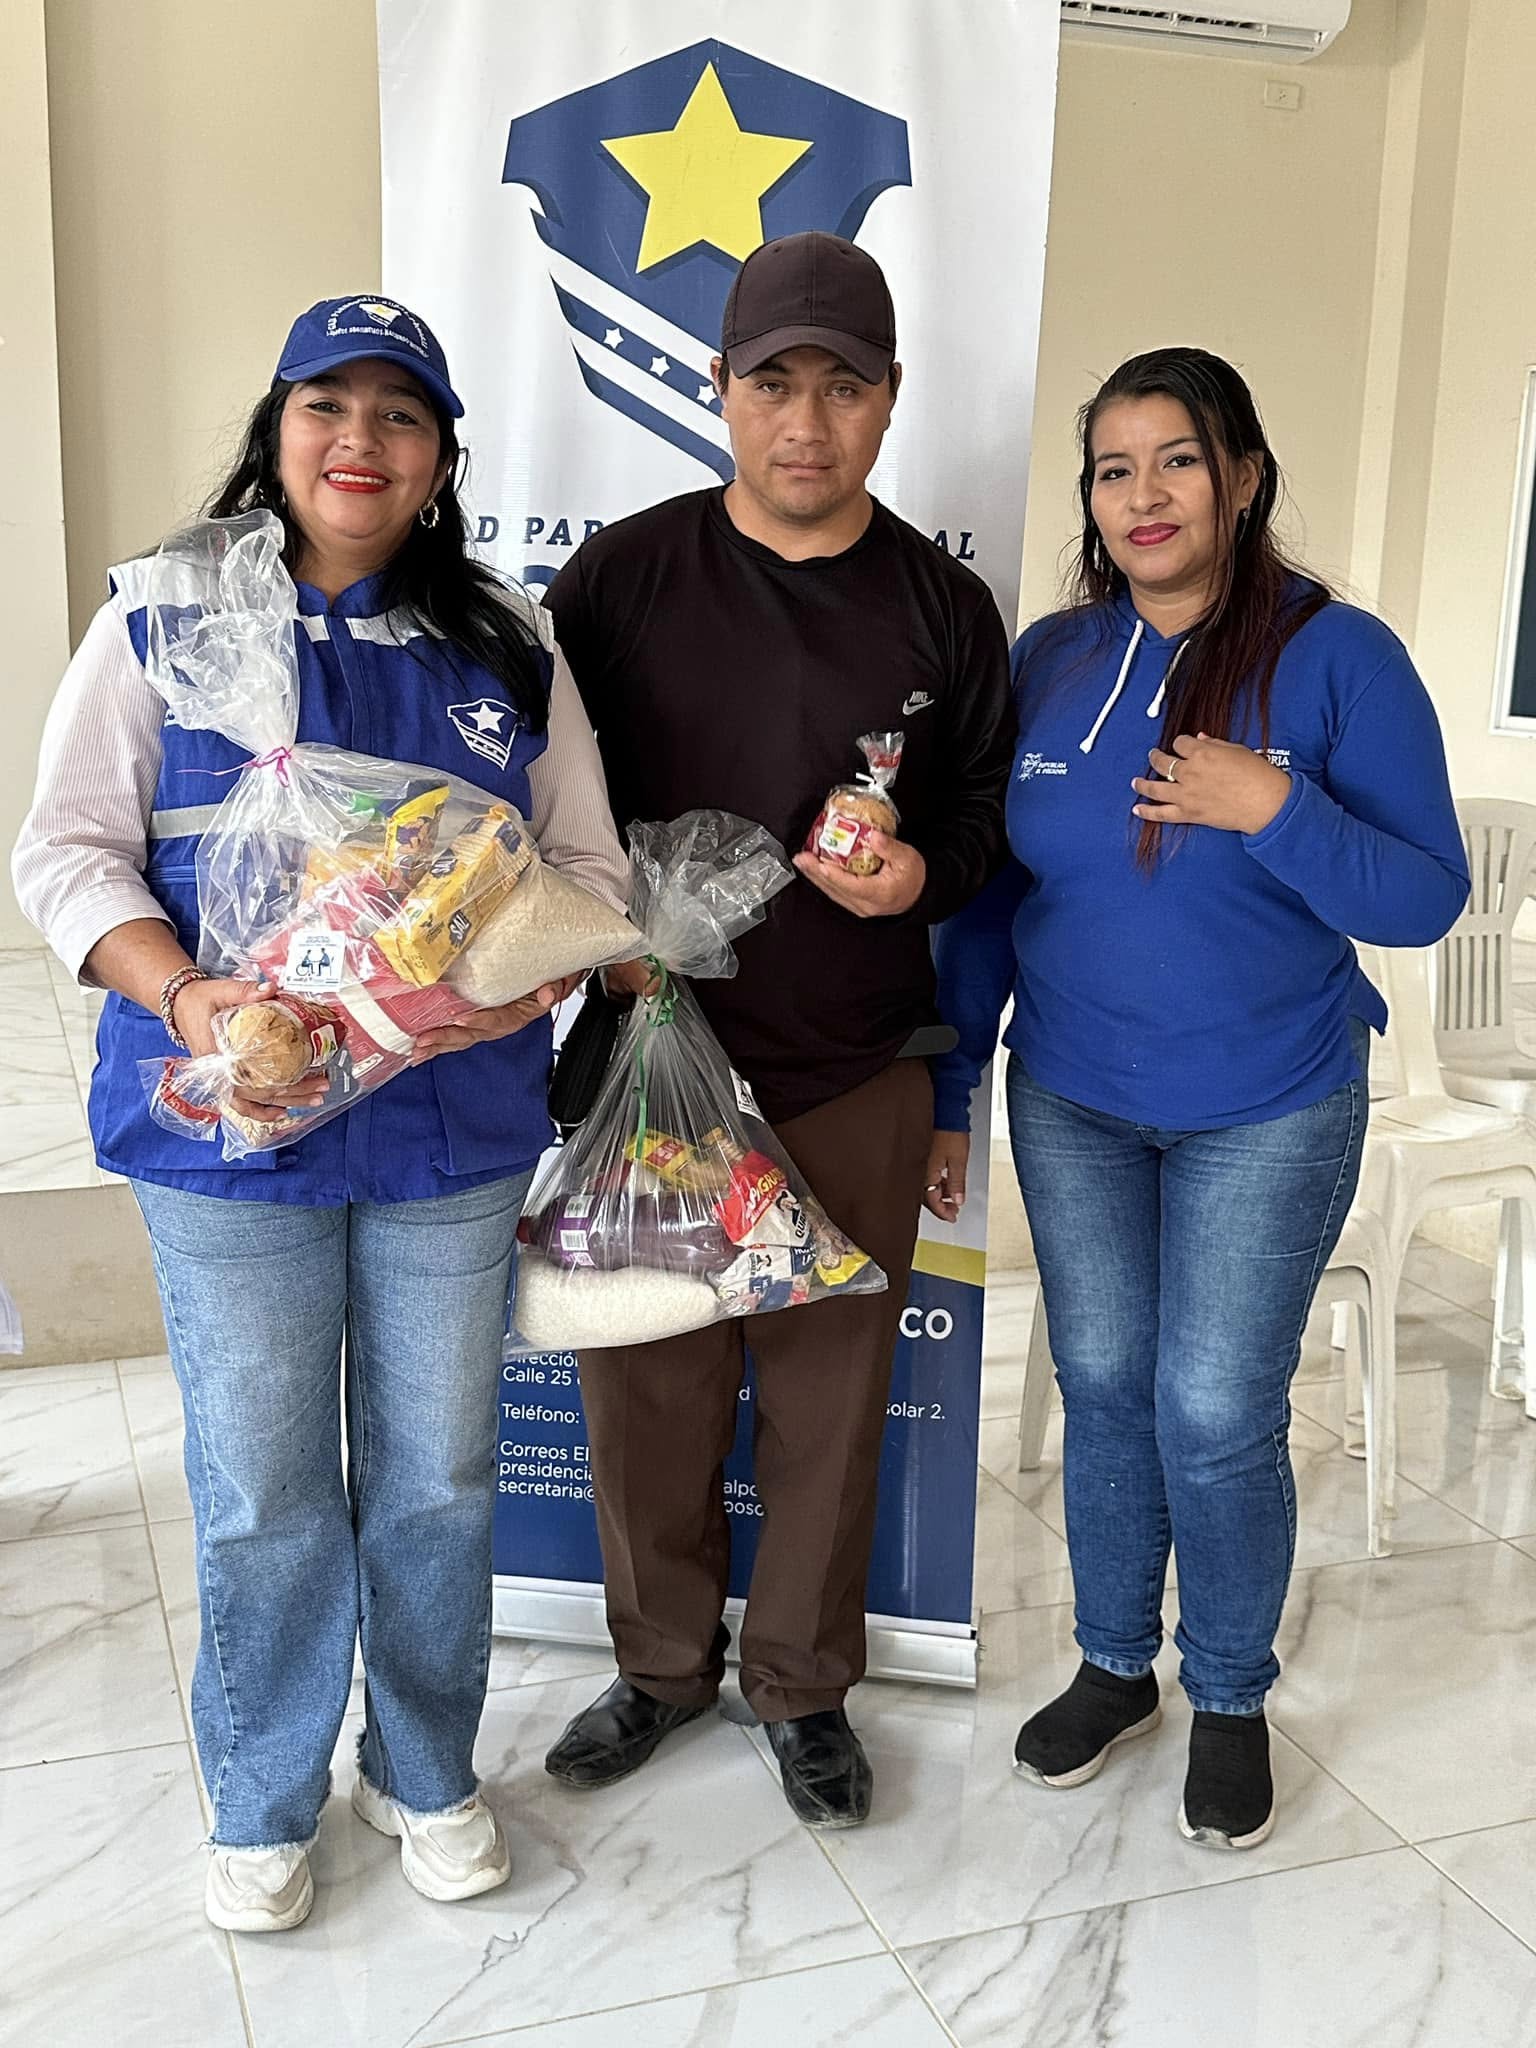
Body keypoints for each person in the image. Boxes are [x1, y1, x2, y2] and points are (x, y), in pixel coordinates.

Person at [12, 297, 630, 1931]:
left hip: (447, 1131)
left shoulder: (506, 642)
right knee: (263, 1484)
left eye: (400, 414)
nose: (361, 440)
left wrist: (503, 986)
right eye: (327, 405)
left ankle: (423, 1768)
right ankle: (264, 1792)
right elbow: (63, 852)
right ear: (276, 430)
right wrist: (192, 999)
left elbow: (587, 868)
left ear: (440, 460)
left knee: (438, 1476)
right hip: (228, 1130)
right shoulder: (161, 619)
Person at [928, 346, 1469, 1849]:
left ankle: (1228, 1693)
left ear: (1242, 477)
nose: (1145, 495)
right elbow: (990, 896)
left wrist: (1276, 806)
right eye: (1115, 469)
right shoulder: (1051, 658)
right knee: (1104, 1385)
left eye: (1178, 460)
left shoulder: (1340, 656)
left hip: (1269, 1102)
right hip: (1075, 1096)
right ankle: (1116, 1666)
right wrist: (956, 1078)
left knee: (1217, 1408)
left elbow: (1425, 894)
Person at [540, 232, 1014, 1828]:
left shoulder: (943, 607)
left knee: (830, 1402)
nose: (806, 423)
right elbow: (541, 803)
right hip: (654, 1062)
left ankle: (804, 1686)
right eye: (772, 383)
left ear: (891, 398)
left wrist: (917, 881)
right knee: (649, 1396)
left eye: (844, 387)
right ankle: (661, 1667)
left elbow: (986, 825)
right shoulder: (622, 578)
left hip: (856, 1068)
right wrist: (595, 944)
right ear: (718, 388)